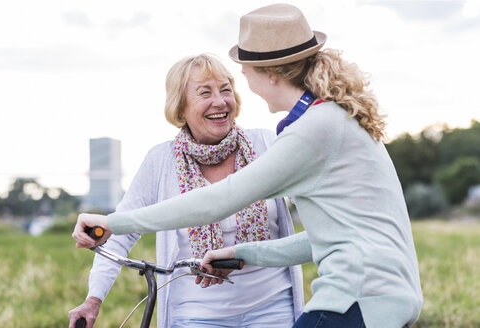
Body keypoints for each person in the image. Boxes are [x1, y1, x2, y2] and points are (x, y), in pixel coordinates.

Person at [72, 4, 423, 328]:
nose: (233, 88)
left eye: (240, 73)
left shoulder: (308, 132)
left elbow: (221, 200)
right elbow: (324, 240)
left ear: (268, 74)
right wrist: (241, 253)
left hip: (356, 300)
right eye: (205, 92)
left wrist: (110, 222)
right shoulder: (329, 120)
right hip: (382, 300)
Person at [68, 53, 304, 328]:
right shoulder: (161, 161)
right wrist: (93, 299)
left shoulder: (267, 143)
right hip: (195, 316)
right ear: (180, 108)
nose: (220, 101)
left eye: (226, 90)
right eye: (205, 93)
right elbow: (121, 234)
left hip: (273, 310)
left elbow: (312, 204)